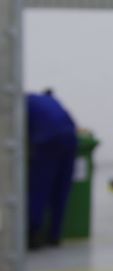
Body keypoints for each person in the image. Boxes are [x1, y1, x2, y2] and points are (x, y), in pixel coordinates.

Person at [26, 89, 79, 248]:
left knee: (40, 188)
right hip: (70, 140)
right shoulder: (51, 101)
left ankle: (33, 236)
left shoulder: (23, 104)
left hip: (46, 141)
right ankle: (55, 235)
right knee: (61, 188)